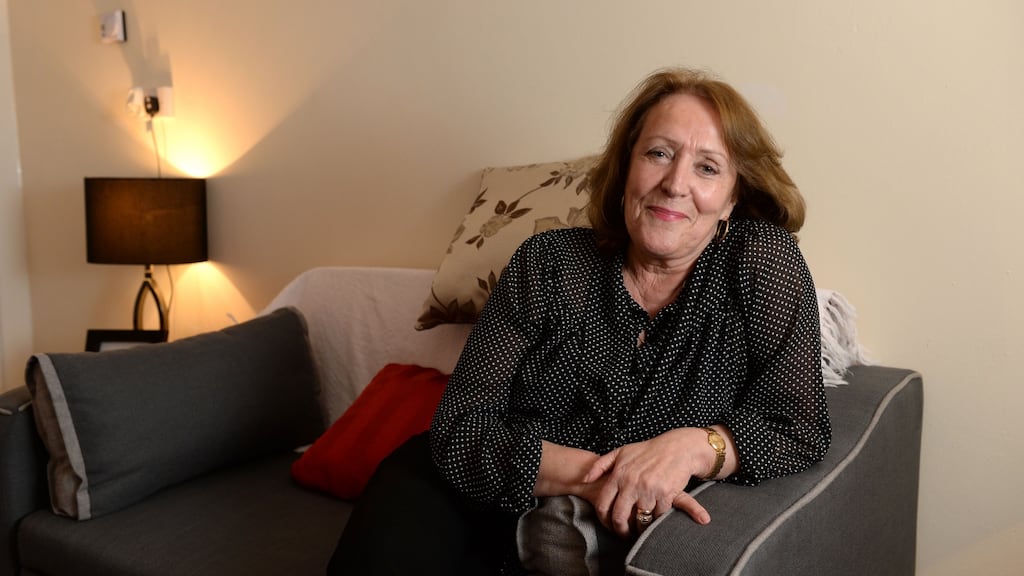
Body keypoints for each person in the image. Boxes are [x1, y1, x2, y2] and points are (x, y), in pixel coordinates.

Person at [328, 67, 831, 575]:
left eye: (707, 168)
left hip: (581, 532)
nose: (675, 184)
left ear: (732, 199)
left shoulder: (761, 261)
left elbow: (800, 427)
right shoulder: (547, 261)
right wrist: (605, 476)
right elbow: (461, 427)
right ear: (627, 167)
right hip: (471, 493)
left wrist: (695, 447)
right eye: (658, 153)